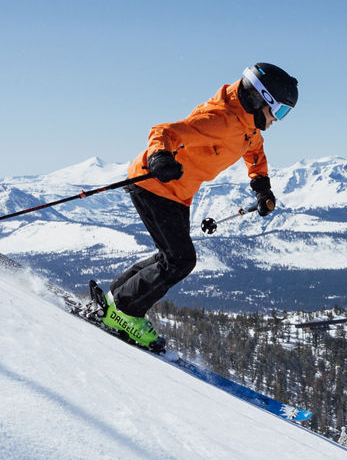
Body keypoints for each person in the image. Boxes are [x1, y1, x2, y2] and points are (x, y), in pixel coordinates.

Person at [100, 62, 298, 347]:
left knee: (171, 256)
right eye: (279, 110)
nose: (279, 119)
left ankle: (117, 298)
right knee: (181, 260)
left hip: (178, 193)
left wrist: (261, 187)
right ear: (259, 98)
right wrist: (159, 158)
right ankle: (123, 311)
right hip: (153, 184)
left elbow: (255, 152)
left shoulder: (249, 128)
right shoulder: (219, 119)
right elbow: (164, 132)